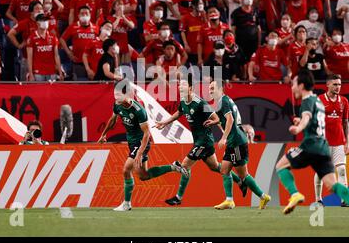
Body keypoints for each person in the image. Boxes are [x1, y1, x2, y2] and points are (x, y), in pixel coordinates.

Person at [275, 69, 349, 226]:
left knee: (280, 166)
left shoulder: (307, 101)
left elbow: (307, 117)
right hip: (324, 147)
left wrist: (299, 127)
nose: (292, 87)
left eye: (294, 83)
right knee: (332, 183)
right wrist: (302, 122)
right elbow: (313, 119)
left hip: (312, 145)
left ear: (302, 85)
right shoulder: (318, 100)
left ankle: (295, 194)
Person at [97, 80, 188, 211]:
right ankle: (173, 167)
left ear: (126, 93)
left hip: (141, 143)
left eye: (118, 94)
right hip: (132, 143)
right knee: (143, 175)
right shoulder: (117, 105)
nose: (115, 97)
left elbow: (147, 134)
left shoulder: (139, 110)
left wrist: (140, 151)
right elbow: (113, 120)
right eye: (114, 94)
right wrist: (104, 134)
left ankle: (126, 204)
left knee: (126, 170)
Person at [155, 74, 244, 206]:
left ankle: (178, 197)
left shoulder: (200, 103)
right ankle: (240, 181)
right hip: (198, 141)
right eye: (179, 85)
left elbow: (216, 117)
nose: (180, 87)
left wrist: (222, 134)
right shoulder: (183, 102)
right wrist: (164, 122)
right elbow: (178, 114)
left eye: (183, 85)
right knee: (216, 167)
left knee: (184, 165)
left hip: (204, 141)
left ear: (191, 88)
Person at [208, 80, 271, 210]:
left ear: (220, 89)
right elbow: (226, 118)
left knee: (243, 175)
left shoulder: (223, 102)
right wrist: (214, 122)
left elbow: (230, 119)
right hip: (233, 141)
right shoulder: (225, 100)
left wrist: (223, 138)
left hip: (236, 141)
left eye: (212, 88)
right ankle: (229, 201)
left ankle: (263, 196)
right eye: (209, 89)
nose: (210, 91)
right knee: (224, 170)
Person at [316, 74, 349, 207]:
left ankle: (344, 199)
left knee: (342, 170)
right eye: (335, 84)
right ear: (328, 85)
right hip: (323, 143)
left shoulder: (344, 101)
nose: (338, 87)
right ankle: (318, 199)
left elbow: (346, 123)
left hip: (339, 142)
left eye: (340, 84)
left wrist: (347, 143)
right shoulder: (319, 100)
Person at [26, 14, 63, 81]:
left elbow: (56, 56)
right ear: (37, 23)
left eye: (46, 20)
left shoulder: (53, 37)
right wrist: (31, 74)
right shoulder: (31, 38)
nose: (45, 22)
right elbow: (29, 57)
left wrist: (60, 71)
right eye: (43, 20)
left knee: (52, 91)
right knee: (38, 91)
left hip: (52, 72)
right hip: (38, 72)